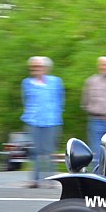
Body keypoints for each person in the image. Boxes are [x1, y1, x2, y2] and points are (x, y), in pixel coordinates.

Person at [21, 56, 65, 188]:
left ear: (46, 68)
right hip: (33, 121)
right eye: (33, 67)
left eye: (39, 66)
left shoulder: (56, 82)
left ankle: (51, 179)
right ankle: (35, 180)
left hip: (51, 120)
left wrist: (56, 115)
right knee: (35, 151)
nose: (36, 69)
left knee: (49, 151)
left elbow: (60, 100)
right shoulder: (27, 83)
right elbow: (25, 100)